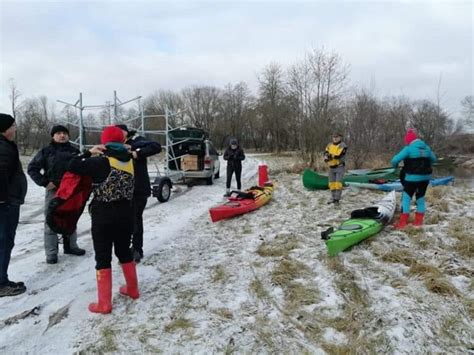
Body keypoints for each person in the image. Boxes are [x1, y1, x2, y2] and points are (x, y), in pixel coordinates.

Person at [67, 125, 139, 314]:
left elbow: (72, 164)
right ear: (122, 141)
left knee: (103, 256)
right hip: (126, 212)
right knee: (124, 250)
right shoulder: (130, 159)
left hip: (103, 214)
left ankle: (104, 304)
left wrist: (88, 152)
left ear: (104, 142)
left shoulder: (100, 162)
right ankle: (133, 290)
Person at [27, 125, 85, 264]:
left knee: (71, 217)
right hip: (53, 191)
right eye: (58, 133)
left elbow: (82, 168)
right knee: (50, 220)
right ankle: (51, 253)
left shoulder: (75, 151)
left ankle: (71, 246)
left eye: (64, 133)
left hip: (71, 191)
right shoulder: (46, 151)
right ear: (53, 136)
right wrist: (44, 182)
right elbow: (32, 168)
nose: (62, 135)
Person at [116, 124, 161, 263]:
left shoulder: (136, 141)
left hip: (138, 189)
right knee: (122, 221)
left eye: (121, 132)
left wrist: (137, 152)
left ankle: (137, 249)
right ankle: (124, 249)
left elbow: (156, 146)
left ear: (126, 133)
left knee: (135, 218)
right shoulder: (113, 146)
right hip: (121, 190)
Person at [0, 113, 27, 297]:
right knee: (4, 241)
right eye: (13, 126)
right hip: (6, 203)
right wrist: (3, 199)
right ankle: (1, 284)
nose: (15, 129)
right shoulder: (3, 147)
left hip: (7, 201)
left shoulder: (5, 145)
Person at [391, 128, 436, 229]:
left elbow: (394, 160)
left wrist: (395, 167)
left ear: (408, 141)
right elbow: (434, 159)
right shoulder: (427, 148)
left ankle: (402, 223)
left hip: (411, 178)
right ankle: (418, 222)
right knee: (420, 198)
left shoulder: (408, 149)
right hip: (425, 178)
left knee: (406, 198)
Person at [324, 133, 347, 204]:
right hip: (331, 167)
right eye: (334, 137)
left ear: (340, 137)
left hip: (339, 167)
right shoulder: (329, 145)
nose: (335, 138)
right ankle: (333, 198)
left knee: (338, 184)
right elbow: (325, 153)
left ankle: (337, 199)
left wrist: (330, 156)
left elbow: (338, 155)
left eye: (337, 137)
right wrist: (326, 157)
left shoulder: (343, 145)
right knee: (331, 184)